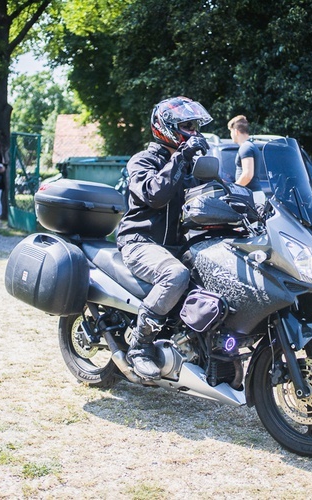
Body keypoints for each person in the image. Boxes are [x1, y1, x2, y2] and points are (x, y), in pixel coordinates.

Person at [116, 96, 211, 380]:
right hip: (140, 241)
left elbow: (214, 193)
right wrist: (180, 158)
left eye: (195, 127)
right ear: (167, 128)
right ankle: (140, 347)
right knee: (175, 275)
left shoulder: (190, 165)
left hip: (177, 245)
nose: (194, 133)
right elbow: (154, 195)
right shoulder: (143, 161)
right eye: (187, 127)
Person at [227, 115, 261, 191]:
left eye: (230, 131)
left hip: (250, 195)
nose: (230, 135)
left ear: (236, 131)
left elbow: (247, 175)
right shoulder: (250, 145)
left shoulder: (246, 147)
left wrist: (233, 189)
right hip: (252, 194)